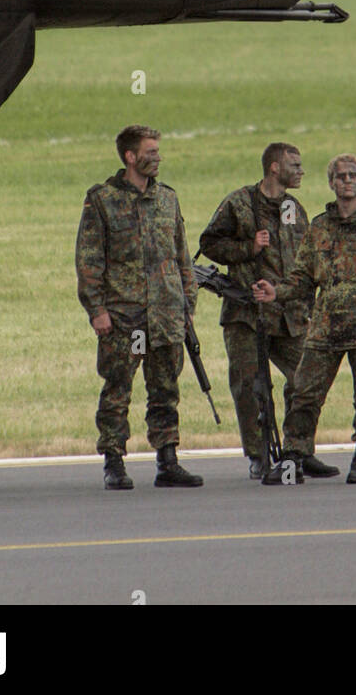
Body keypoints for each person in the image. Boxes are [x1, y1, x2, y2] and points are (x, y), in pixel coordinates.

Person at [253, 154, 356, 484]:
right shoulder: (320, 226)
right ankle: (294, 457)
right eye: (340, 176)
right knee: (305, 392)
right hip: (326, 326)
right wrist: (275, 292)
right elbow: (303, 276)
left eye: (352, 175)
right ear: (331, 183)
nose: (346, 181)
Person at [199, 143, 337, 479]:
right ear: (274, 168)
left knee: (305, 380)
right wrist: (248, 248)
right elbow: (209, 244)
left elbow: (307, 258)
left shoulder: (294, 207)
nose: (301, 170)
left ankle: (299, 451)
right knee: (250, 386)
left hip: (288, 312)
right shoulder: (240, 203)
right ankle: (260, 456)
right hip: (248, 314)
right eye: (295, 165)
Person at [76, 124, 203, 489]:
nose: (157, 157)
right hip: (124, 316)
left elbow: (182, 257)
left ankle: (167, 460)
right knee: (118, 390)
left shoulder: (167, 199)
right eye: (150, 152)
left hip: (165, 316)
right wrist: (96, 309)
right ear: (130, 157)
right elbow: (89, 259)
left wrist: (187, 303)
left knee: (165, 390)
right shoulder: (102, 199)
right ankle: (114, 461)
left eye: (158, 151)